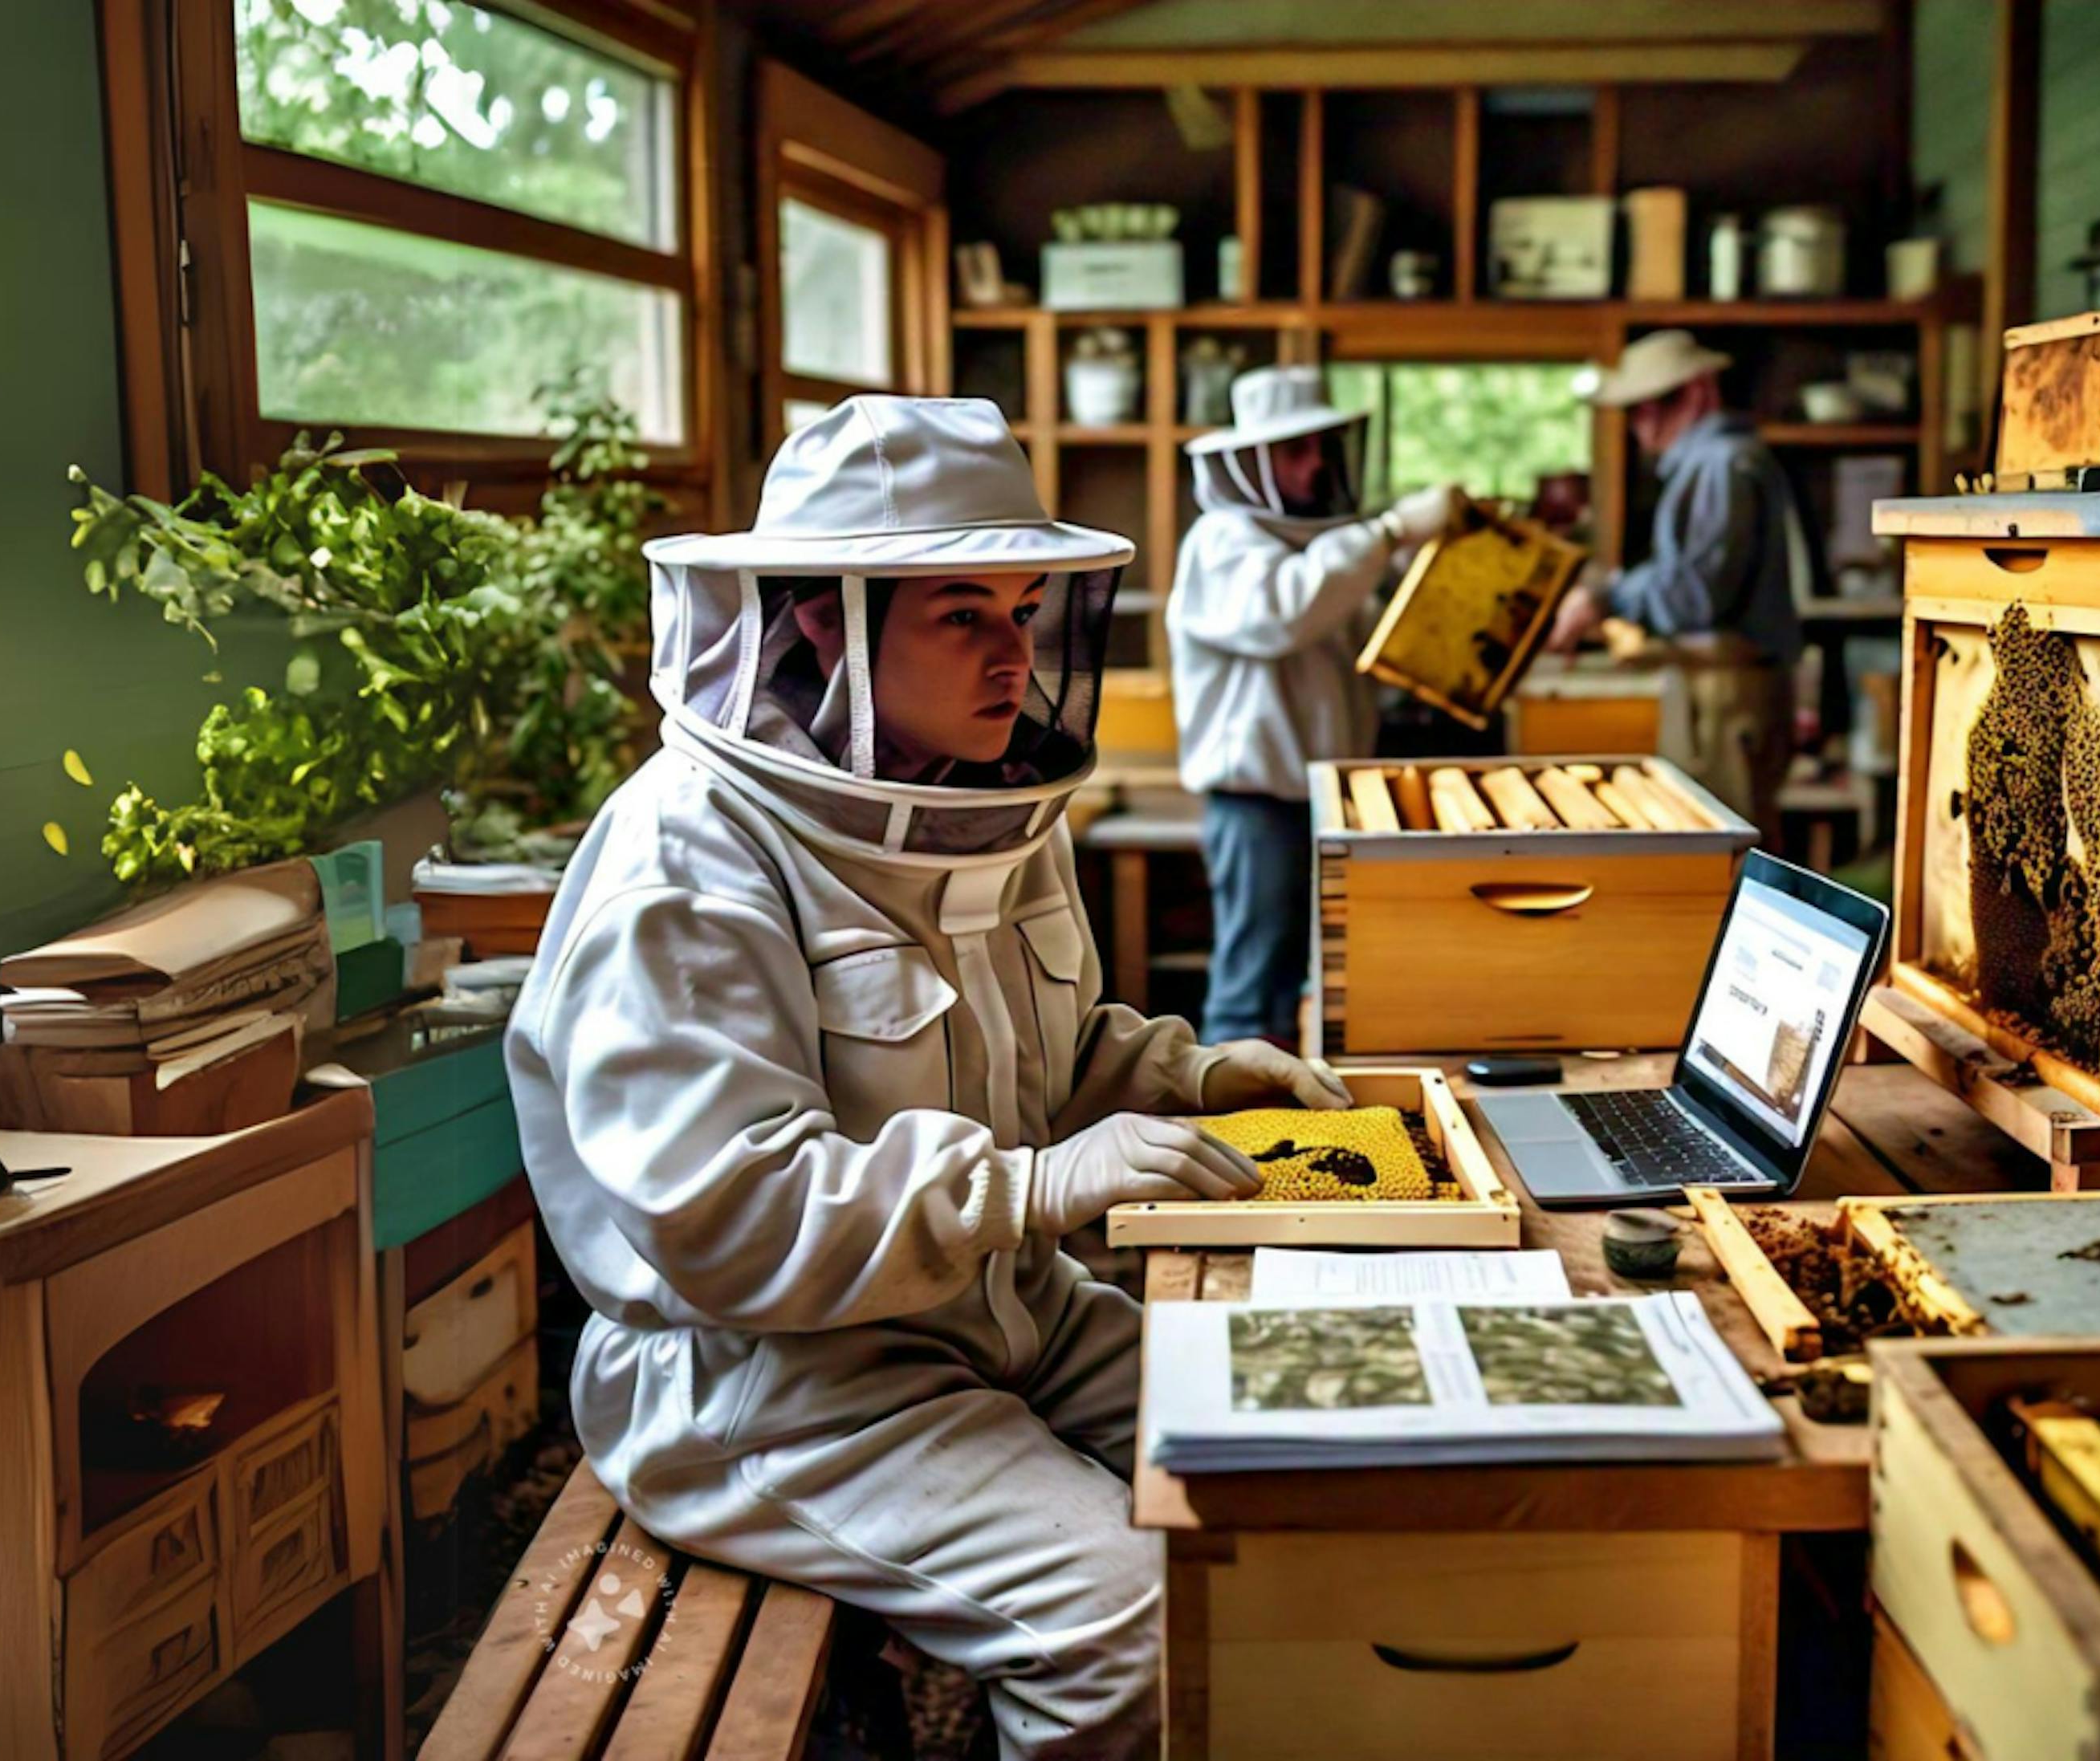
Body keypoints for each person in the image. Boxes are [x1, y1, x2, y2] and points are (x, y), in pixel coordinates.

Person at [507, 397, 1349, 1761]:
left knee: (1299, 1449)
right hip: (774, 1379)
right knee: (1129, 1627)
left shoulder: (986, 802)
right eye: (966, 614)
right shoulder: (687, 855)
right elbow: (718, 1210)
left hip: (1004, 1309)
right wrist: (1028, 1186)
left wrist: (1184, 1071)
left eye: (1026, 607)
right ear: (827, 618)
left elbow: (1042, 1060)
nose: (1016, 655)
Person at [1168, 365, 1465, 1043]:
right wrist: (1389, 532)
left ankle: (1288, 1133)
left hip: (1327, 802)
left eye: (1319, 450)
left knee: (1309, 991)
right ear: (1250, 463)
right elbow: (1283, 612)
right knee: (1251, 993)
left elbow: (1358, 648)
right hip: (1258, 806)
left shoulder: (1323, 553)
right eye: (1294, 452)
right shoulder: (1223, 544)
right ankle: (1232, 1137)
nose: (1313, 468)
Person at [1546, 327, 1812, 832]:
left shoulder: (1721, 465)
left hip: (1729, 696)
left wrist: (1608, 597)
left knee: (1727, 851)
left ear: (1696, 393)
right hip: (1717, 689)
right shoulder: (1714, 464)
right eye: (1633, 412)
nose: (1640, 427)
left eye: (1649, 407)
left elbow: (1695, 596)